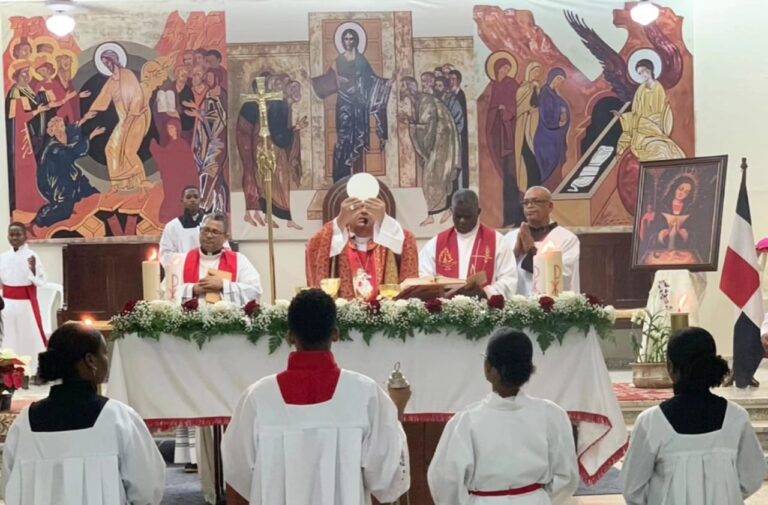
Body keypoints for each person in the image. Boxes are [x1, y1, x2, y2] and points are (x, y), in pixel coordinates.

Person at [222, 289, 410, 505]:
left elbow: (238, 468)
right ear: (336, 334)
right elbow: (385, 474)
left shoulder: (257, 397)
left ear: (290, 336)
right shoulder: (365, 393)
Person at [1, 323, 166, 504]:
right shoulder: (118, 418)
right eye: (104, 353)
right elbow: (147, 489)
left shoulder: (23, 423)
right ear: (90, 361)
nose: (107, 360)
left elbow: (9, 487)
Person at [428, 328, 579, 505]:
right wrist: (539, 499)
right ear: (529, 370)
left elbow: (445, 482)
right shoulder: (552, 414)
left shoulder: (465, 421)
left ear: (488, 368)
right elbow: (567, 477)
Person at [622, 327, 767, 505]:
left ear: (670, 368)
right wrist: (724, 494)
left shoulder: (651, 422)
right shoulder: (736, 417)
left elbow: (632, 489)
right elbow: (753, 476)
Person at [313, 27, 392, 182]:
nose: (348, 42)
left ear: (356, 40)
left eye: (351, 38)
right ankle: (340, 177)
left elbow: (372, 79)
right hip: (343, 103)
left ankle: (357, 178)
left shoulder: (361, 60)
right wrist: (337, 80)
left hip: (358, 105)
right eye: (346, 39)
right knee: (343, 138)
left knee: (357, 139)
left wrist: (386, 83)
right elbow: (328, 81)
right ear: (342, 41)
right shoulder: (338, 61)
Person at [306, 197, 419, 300]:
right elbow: (315, 247)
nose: (363, 212)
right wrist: (340, 220)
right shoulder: (337, 241)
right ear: (346, 215)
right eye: (356, 208)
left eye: (369, 207)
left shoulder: (390, 240)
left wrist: (384, 219)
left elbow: (407, 241)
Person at [420, 190, 518, 299]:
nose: (462, 221)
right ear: (452, 211)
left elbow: (509, 278)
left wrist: (485, 292)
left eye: (467, 216)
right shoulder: (436, 243)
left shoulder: (497, 241)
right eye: (458, 216)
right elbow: (423, 276)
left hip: (485, 310)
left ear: (478, 212)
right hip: (446, 311)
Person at [80, 49, 150, 192]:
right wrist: (88, 115)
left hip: (137, 117)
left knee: (128, 152)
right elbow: (102, 99)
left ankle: (142, 182)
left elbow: (137, 96)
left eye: (107, 61)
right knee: (111, 149)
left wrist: (132, 115)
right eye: (104, 63)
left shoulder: (128, 75)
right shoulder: (111, 81)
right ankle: (118, 184)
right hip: (124, 120)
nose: (106, 65)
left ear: (113, 60)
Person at [398, 77, 460, 226]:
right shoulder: (420, 101)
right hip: (436, 143)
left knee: (438, 176)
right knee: (431, 178)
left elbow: (428, 127)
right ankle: (432, 214)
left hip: (442, 143)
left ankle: (445, 210)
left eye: (405, 94)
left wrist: (411, 124)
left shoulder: (426, 101)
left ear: (411, 91)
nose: (405, 100)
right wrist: (411, 121)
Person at [505, 187, 580, 295]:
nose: (529, 206)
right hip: (518, 303)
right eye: (526, 203)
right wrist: (515, 254)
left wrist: (531, 250)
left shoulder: (566, 238)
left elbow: (561, 275)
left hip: (550, 305)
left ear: (550, 206)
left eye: (536, 202)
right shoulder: (510, 237)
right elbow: (503, 274)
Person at [34, 116, 103, 228]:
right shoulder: (54, 148)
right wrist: (91, 136)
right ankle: (43, 217)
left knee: (90, 192)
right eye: (56, 125)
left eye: (61, 124)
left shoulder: (64, 139)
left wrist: (84, 124)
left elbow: (72, 146)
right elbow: (72, 151)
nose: (61, 126)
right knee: (65, 209)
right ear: (51, 132)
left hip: (67, 178)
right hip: (56, 184)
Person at [180, 212, 262, 304]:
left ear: (226, 237)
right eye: (206, 230)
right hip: (190, 317)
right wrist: (192, 290)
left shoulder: (239, 260)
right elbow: (167, 291)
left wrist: (223, 286)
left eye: (215, 232)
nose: (209, 236)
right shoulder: (182, 260)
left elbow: (255, 291)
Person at [616, 59, 685, 162]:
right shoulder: (640, 90)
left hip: (655, 126)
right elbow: (636, 112)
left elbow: (661, 112)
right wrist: (623, 117)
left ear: (650, 70)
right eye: (639, 73)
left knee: (660, 148)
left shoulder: (658, 88)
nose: (642, 74)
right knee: (640, 145)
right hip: (641, 127)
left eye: (643, 71)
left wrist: (649, 123)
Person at [0, 223, 47, 373]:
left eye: (18, 234)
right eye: (11, 234)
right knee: (8, 337)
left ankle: (32, 371)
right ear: (7, 236)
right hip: (7, 305)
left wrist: (32, 270)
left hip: (25, 305)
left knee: (28, 337)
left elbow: (41, 280)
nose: (14, 237)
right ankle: (8, 371)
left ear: (25, 236)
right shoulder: (3, 257)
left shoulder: (32, 256)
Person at [486, 55, 523, 227]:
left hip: (510, 133)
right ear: (497, 68)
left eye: (508, 68)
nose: (506, 71)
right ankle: (505, 218)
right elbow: (486, 106)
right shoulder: (492, 86)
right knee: (502, 174)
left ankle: (515, 217)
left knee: (512, 174)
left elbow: (517, 106)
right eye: (503, 68)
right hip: (497, 134)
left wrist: (506, 110)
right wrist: (496, 109)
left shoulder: (511, 84)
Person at [150, 119, 200, 223]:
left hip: (181, 181)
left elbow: (174, 161)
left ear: (177, 129)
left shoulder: (181, 144)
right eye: (169, 128)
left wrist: (155, 149)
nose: (170, 130)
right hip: (172, 180)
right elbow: (167, 159)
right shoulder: (172, 144)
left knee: (176, 199)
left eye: (172, 128)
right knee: (171, 198)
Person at [534, 68, 570, 185]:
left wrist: (564, 115)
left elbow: (561, 107)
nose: (559, 82)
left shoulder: (553, 93)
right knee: (549, 164)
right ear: (552, 78)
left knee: (556, 164)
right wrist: (557, 123)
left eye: (561, 81)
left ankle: (554, 188)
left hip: (555, 137)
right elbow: (546, 115)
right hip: (546, 137)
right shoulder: (545, 93)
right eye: (558, 79)